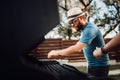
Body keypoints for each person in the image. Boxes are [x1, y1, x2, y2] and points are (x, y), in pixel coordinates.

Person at [47, 7, 110, 79]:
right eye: (69, 23)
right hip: (93, 65)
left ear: (81, 17)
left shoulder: (90, 29)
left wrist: (55, 52)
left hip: (99, 66)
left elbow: (77, 48)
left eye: (72, 22)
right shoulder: (85, 29)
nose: (71, 25)